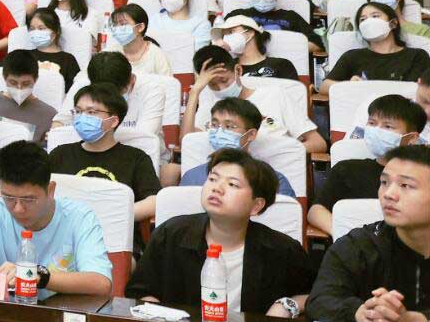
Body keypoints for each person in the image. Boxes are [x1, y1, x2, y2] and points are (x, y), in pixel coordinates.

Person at [128, 148, 314, 316]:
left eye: (232, 184)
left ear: (256, 206)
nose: (217, 188)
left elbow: (314, 296)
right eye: (212, 179)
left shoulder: (282, 250)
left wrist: (287, 305)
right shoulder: (171, 234)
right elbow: (139, 291)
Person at [0, 140, 114, 297]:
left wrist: (38, 275)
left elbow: (101, 283)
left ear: (50, 190)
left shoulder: (80, 217)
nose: (18, 209)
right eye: (8, 198)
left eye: (29, 199)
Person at [306, 144, 430, 322]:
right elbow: (319, 300)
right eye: (384, 182)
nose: (388, 194)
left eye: (405, 185)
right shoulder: (359, 245)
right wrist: (361, 313)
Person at [307, 95, 425, 237]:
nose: (376, 131)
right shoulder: (347, 170)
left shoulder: (423, 176)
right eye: (372, 123)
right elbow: (316, 210)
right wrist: (343, 235)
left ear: (412, 138)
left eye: (387, 126)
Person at [181, 45, 325, 155]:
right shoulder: (210, 104)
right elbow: (187, 143)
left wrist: (277, 153)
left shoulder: (275, 95)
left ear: (238, 70)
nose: (221, 88)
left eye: (224, 81)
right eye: (212, 85)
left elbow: (318, 143)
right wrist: (194, 92)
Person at [49, 84, 161, 222]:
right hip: (68, 229)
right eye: (78, 111)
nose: (82, 118)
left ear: (113, 121)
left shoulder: (136, 158)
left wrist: (112, 216)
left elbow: (154, 200)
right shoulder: (60, 154)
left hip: (116, 229)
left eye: (91, 112)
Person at [178, 97, 297, 195]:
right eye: (214, 125)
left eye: (229, 127)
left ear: (251, 134)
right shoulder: (193, 177)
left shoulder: (272, 181)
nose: (219, 132)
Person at [325, 2, 430, 84]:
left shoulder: (417, 55)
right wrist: (348, 85)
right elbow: (325, 86)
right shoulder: (352, 56)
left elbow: (423, 88)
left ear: (393, 23)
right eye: (363, 19)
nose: (368, 22)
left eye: (375, 16)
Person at [0, 50, 58, 145]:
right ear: (4, 77)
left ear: (35, 79)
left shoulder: (48, 114)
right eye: (13, 83)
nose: (19, 88)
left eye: (26, 84)